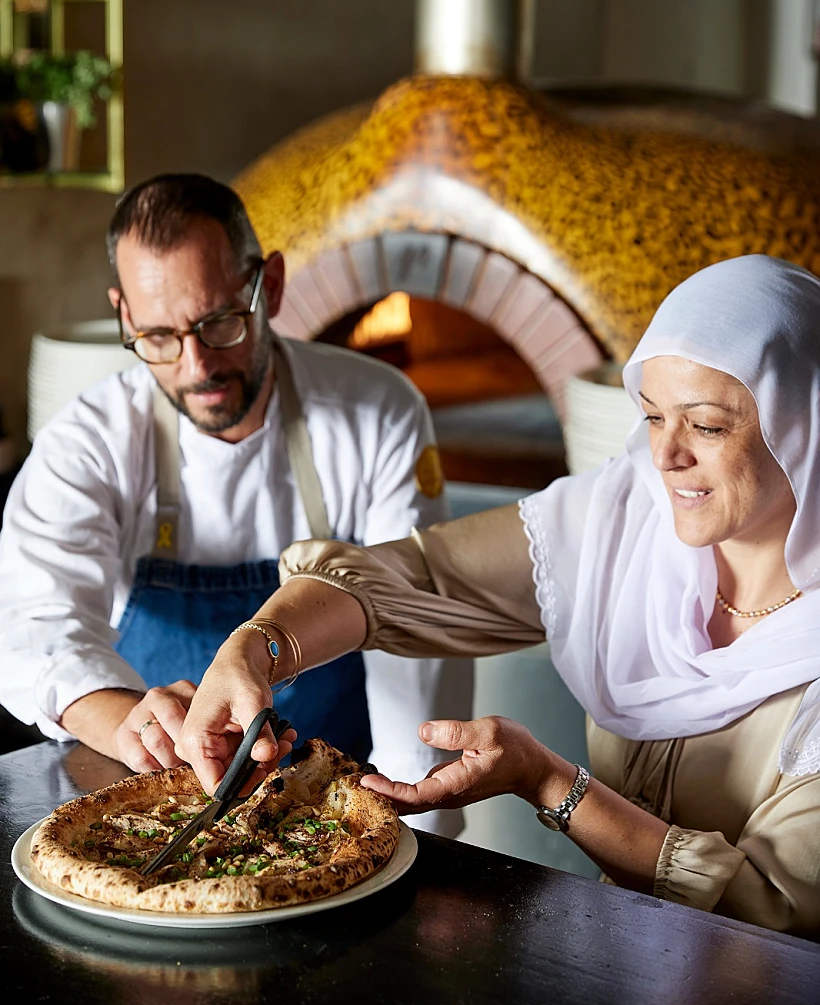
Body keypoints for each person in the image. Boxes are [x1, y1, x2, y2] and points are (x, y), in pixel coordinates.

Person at [177, 254, 820, 937]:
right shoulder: (627, 522)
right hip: (618, 956)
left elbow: (776, 914)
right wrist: (257, 647)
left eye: (708, 425)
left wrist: (547, 781)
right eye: (654, 416)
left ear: (805, 425)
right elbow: (413, 577)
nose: (665, 456)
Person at [0, 173, 473, 835]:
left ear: (268, 287)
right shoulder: (86, 441)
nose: (197, 366)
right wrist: (132, 722)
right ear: (125, 316)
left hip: (345, 807)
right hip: (159, 803)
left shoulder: (378, 412)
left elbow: (412, 627)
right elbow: (36, 628)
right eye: (159, 336)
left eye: (218, 322)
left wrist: (415, 836)